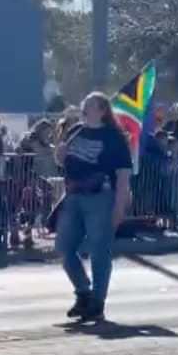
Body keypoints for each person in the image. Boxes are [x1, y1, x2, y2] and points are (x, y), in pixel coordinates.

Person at [55, 92, 133, 323]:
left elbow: (122, 175)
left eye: (89, 105)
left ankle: (97, 302)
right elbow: (63, 162)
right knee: (64, 247)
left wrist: (119, 206)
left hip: (101, 197)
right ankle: (83, 292)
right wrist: (59, 155)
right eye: (83, 104)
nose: (84, 109)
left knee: (100, 252)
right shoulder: (75, 131)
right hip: (74, 196)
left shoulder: (113, 137)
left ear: (102, 110)